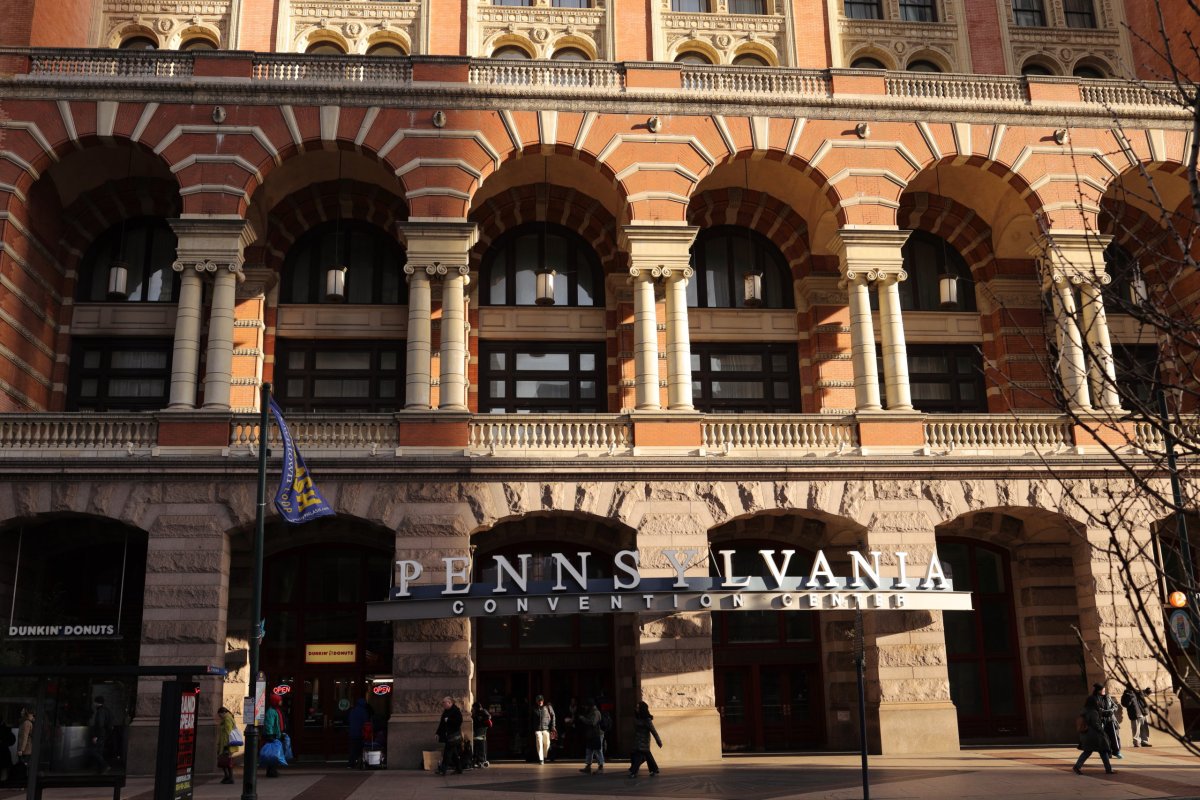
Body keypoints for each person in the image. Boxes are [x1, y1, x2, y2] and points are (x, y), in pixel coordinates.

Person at [1074, 694, 1115, 775]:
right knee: (1101, 751)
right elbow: (1096, 724)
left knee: (1092, 752)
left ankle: (1108, 769)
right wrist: (1102, 732)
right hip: (1094, 735)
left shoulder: (1084, 710)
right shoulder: (1093, 712)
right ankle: (1108, 769)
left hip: (1087, 734)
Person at [627, 701, 663, 778]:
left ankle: (633, 772)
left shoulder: (647, 720)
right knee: (646, 754)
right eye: (636, 707)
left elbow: (653, 731)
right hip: (637, 740)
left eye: (638, 707)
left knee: (639, 756)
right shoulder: (637, 717)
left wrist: (658, 741)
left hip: (644, 741)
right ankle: (654, 769)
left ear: (642, 709)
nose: (636, 709)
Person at [1091, 683, 1122, 759]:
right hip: (1101, 721)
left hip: (1111, 720)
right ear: (1098, 691)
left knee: (1114, 736)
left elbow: (1115, 706)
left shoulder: (1107, 697)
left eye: (1104, 689)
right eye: (1102, 690)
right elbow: (1096, 709)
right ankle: (1108, 753)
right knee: (1104, 738)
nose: (1104, 691)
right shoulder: (1094, 698)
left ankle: (1117, 751)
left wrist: (1112, 710)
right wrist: (1106, 711)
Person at [434, 696, 463, 775]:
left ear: (450, 702)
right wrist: (437, 733)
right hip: (449, 736)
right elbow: (442, 724)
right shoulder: (446, 711)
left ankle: (443, 770)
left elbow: (459, 721)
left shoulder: (456, 711)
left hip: (453, 736)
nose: (443, 703)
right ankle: (459, 769)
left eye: (444, 702)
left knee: (447, 753)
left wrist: (449, 720)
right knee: (453, 753)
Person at [87, 696, 113, 774]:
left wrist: (96, 736)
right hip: (104, 734)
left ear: (97, 703)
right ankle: (100, 770)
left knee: (93, 751)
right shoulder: (107, 710)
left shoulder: (100, 711)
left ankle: (105, 765)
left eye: (95, 702)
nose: (94, 703)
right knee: (99, 751)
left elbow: (100, 724)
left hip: (100, 734)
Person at [577, 698, 604, 774]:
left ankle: (601, 766)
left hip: (596, 734)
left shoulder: (596, 712)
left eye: (586, 706)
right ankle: (588, 766)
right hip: (591, 734)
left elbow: (593, 723)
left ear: (590, 706)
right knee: (589, 750)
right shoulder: (590, 712)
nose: (585, 708)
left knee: (597, 750)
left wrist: (583, 718)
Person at [262, 694, 284, 778]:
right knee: (272, 754)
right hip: (272, 735)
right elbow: (269, 724)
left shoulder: (276, 710)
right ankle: (271, 771)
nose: (281, 702)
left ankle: (272, 770)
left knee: (273, 754)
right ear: (276, 701)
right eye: (279, 700)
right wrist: (270, 735)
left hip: (275, 734)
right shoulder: (271, 711)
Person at [531, 695, 556, 765]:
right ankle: (541, 759)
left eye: (541, 700)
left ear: (543, 701)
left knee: (547, 743)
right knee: (539, 742)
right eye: (539, 701)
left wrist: (553, 726)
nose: (540, 702)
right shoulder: (534, 709)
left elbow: (553, 715)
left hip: (546, 728)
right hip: (537, 729)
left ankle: (545, 756)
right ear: (536, 701)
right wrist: (533, 729)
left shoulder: (548, 707)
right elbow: (531, 719)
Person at [217, 707, 237, 784]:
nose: (219, 717)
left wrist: (226, 746)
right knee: (225, 761)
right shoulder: (228, 718)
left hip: (226, 744)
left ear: (222, 713)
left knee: (226, 761)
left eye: (219, 715)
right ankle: (227, 776)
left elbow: (228, 733)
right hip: (226, 744)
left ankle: (229, 777)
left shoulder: (227, 719)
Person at [347, 698, 369, 769]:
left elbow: (349, 720)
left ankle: (351, 764)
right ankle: (360, 763)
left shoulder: (353, 711)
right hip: (360, 733)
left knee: (353, 749)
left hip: (352, 733)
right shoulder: (363, 711)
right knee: (360, 749)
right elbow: (366, 722)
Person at [14, 708, 33, 786]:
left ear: (26, 713)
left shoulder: (26, 723)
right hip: (25, 749)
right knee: (23, 766)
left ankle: (23, 783)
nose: (21, 712)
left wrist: (21, 749)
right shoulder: (24, 722)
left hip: (25, 750)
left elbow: (25, 737)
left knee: (23, 767)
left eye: (22, 711)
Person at [471, 702, 491, 768]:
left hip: (481, 731)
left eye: (473, 708)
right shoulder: (477, 713)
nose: (472, 709)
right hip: (478, 731)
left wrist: (480, 720)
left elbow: (488, 717)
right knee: (478, 746)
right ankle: (478, 760)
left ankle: (482, 760)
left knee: (481, 746)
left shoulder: (482, 712)